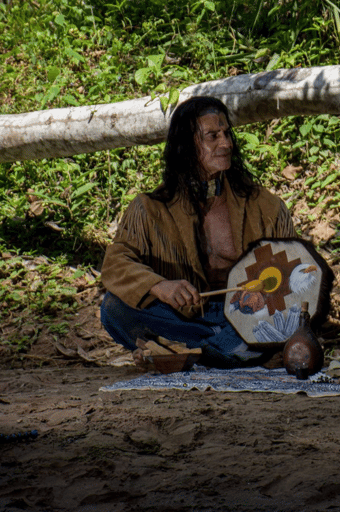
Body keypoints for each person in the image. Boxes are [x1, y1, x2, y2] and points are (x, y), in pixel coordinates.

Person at [100, 96, 296, 368]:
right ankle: (222, 349)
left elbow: (295, 275)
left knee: (287, 315)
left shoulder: (266, 206)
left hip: (247, 315)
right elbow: (116, 263)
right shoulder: (149, 208)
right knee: (114, 309)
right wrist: (160, 287)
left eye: (226, 134)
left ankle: (185, 352)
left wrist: (265, 293)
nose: (225, 144)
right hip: (183, 318)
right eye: (212, 136)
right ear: (187, 146)